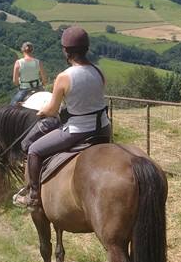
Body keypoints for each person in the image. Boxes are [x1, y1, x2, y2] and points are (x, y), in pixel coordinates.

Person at [13, 26, 111, 210]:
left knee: (34, 149)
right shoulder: (99, 72)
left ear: (66, 51)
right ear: (86, 48)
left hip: (78, 131)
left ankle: (33, 196)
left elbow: (52, 110)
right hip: (104, 129)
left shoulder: (64, 77)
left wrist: (41, 111)